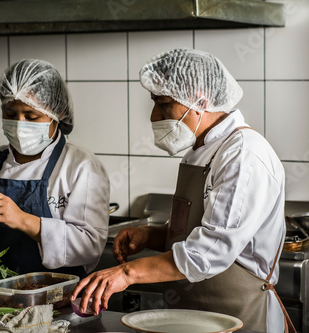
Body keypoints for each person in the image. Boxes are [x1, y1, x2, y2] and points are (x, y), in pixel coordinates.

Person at [71, 48, 295, 332]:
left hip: (241, 317)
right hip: (193, 315)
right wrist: (153, 235)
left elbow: (209, 251)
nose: (154, 115)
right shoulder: (202, 149)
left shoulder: (243, 155)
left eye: (163, 103)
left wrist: (127, 273)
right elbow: (200, 228)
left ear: (200, 98)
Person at [0, 59, 110, 277]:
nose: (20, 123)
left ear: (57, 113)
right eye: (10, 114)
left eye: (31, 116)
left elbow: (89, 246)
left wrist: (24, 220)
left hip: (57, 300)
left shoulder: (81, 166)